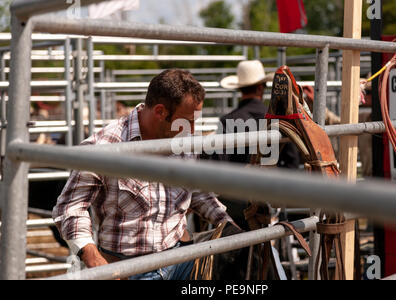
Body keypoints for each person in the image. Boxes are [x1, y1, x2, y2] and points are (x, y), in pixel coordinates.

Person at [52, 69, 233, 280]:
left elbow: (195, 190)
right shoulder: (105, 146)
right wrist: (93, 257)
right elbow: (70, 207)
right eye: (187, 121)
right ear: (160, 112)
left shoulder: (184, 140)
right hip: (129, 269)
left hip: (183, 259)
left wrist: (227, 225)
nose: (192, 130)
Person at [212, 60, 302, 230]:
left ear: (239, 88)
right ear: (261, 87)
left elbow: (218, 167)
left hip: (238, 208)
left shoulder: (228, 121)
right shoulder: (280, 122)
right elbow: (292, 165)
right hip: (274, 203)